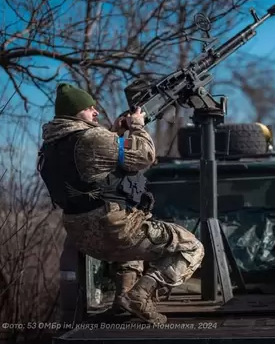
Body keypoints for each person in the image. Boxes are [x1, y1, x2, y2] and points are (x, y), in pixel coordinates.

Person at [37, 83, 204, 324]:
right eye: (88, 108)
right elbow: (145, 155)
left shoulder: (50, 147)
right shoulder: (92, 138)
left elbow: (92, 165)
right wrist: (137, 125)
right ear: (74, 112)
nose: (95, 112)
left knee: (131, 244)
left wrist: (114, 132)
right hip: (115, 229)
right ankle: (140, 294)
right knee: (192, 247)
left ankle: (122, 300)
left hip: (83, 239)